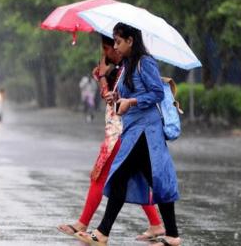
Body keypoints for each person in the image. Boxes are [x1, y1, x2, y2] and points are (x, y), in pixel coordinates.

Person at [76, 23, 182, 246]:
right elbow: (129, 92)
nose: (115, 46)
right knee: (155, 181)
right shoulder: (126, 65)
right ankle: (171, 235)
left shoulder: (146, 63)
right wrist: (116, 97)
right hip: (133, 130)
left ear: (131, 41)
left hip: (145, 133)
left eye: (118, 41)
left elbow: (155, 94)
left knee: (121, 177)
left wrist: (132, 101)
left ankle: (103, 232)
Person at [58, 34, 165, 241]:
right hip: (120, 132)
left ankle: (91, 226)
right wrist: (102, 77)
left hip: (121, 133)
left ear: (123, 45)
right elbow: (110, 98)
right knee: (132, 178)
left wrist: (103, 78)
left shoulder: (129, 69)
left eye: (111, 46)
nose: (107, 52)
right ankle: (156, 224)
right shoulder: (122, 68)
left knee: (103, 177)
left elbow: (115, 102)